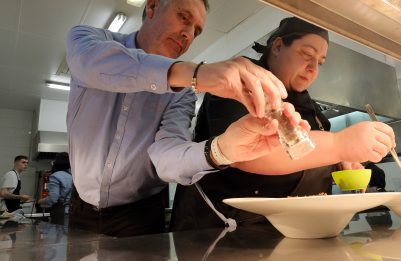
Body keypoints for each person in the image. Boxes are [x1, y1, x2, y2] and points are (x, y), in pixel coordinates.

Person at [66, 0, 305, 237]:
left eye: (197, 30)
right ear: (151, 7)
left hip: (141, 215)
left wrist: (222, 150)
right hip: (80, 207)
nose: (188, 34)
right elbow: (90, 65)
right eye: (184, 17)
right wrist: (197, 73)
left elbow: (166, 155)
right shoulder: (89, 39)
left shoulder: (181, 96)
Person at [170, 17, 395, 231]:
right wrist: (339, 144)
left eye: (320, 62)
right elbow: (247, 154)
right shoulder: (240, 82)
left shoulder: (312, 110)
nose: (313, 68)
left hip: (297, 230)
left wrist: (340, 160)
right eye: (307, 54)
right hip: (225, 230)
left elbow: (314, 155)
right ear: (277, 46)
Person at [38, 152, 72, 225]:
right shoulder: (72, 176)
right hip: (70, 212)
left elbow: (54, 198)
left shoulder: (55, 176)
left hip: (60, 212)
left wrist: (41, 201)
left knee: (56, 233)